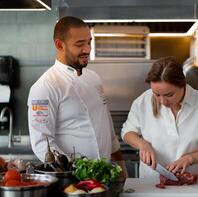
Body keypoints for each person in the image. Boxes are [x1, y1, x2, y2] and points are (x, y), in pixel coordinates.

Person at [27, 16, 127, 176]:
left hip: (105, 176)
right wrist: (75, 171)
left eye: (89, 42)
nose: (87, 49)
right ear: (60, 45)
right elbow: (42, 143)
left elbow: (105, 123)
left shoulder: (94, 78)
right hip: (72, 179)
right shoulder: (45, 87)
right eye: (80, 44)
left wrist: (120, 162)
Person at [121, 56, 198, 179]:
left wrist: (190, 158)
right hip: (152, 182)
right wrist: (142, 144)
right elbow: (127, 132)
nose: (163, 101)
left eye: (169, 95)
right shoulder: (143, 101)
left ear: (183, 85)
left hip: (197, 183)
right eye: (156, 94)